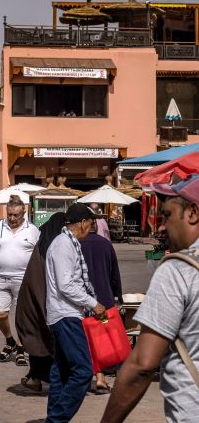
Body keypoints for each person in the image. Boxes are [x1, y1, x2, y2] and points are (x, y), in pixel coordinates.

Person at [102, 177, 199, 423]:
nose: (162, 227)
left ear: (193, 213)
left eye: (167, 216)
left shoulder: (179, 270)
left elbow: (142, 365)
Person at [44, 203, 107, 423]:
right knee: (82, 370)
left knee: (61, 372)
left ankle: (54, 417)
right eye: (91, 223)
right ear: (81, 223)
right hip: (66, 314)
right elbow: (66, 285)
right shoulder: (63, 245)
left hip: (68, 314)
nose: (92, 228)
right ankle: (57, 420)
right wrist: (93, 303)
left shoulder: (70, 244)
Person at [0, 195, 40, 366]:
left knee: (22, 316)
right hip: (1, 277)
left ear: (24, 213)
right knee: (0, 313)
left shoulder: (33, 230)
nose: (12, 219)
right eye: (10, 215)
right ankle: (10, 341)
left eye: (16, 215)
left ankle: (21, 348)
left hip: (24, 279)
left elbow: (40, 255)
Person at [15, 212, 66, 392]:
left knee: (39, 340)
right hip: (46, 305)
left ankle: (35, 378)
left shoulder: (41, 247)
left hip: (33, 305)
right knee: (50, 342)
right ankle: (47, 380)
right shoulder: (56, 249)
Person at [80, 218, 123, 394]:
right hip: (104, 298)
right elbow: (115, 273)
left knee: (87, 339)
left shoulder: (76, 244)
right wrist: (118, 296)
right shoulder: (105, 244)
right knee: (102, 340)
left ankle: (95, 376)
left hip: (82, 298)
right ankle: (101, 377)